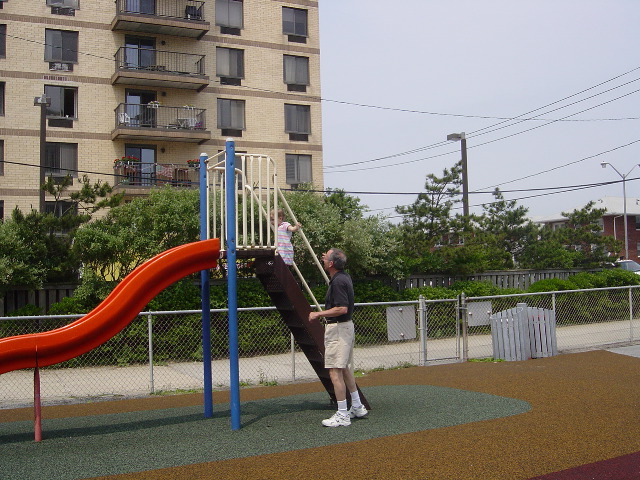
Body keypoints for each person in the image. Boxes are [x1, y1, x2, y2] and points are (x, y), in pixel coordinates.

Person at [309, 248, 367, 427]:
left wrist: (318, 314)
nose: (323, 258)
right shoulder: (344, 277)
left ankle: (342, 414)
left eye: (326, 256)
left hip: (339, 329)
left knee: (335, 371)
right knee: (344, 369)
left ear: (331, 264)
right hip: (345, 328)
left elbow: (341, 308)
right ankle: (356, 405)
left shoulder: (338, 282)